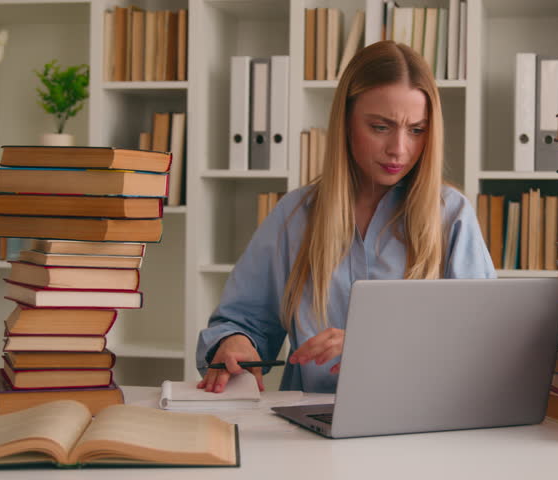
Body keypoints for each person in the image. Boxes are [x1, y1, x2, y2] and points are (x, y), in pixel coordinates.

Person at [196, 41, 495, 394]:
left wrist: (370, 346)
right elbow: (243, 319)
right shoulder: (294, 216)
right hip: (306, 428)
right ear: (346, 122)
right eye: (381, 127)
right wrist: (234, 343)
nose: (399, 148)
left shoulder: (452, 216)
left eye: (416, 130)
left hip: (419, 430)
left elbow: (483, 344)